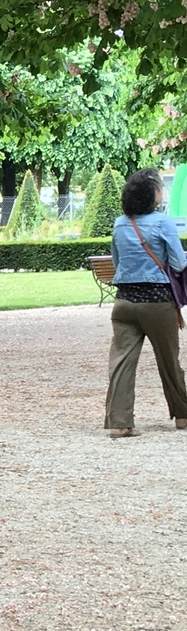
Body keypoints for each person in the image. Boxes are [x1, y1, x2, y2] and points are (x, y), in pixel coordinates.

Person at [104, 167, 187, 438]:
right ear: (152, 195)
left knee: (121, 363)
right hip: (158, 302)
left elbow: (117, 262)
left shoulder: (120, 223)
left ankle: (119, 422)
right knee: (169, 361)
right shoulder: (163, 222)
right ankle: (182, 415)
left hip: (124, 302)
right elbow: (179, 263)